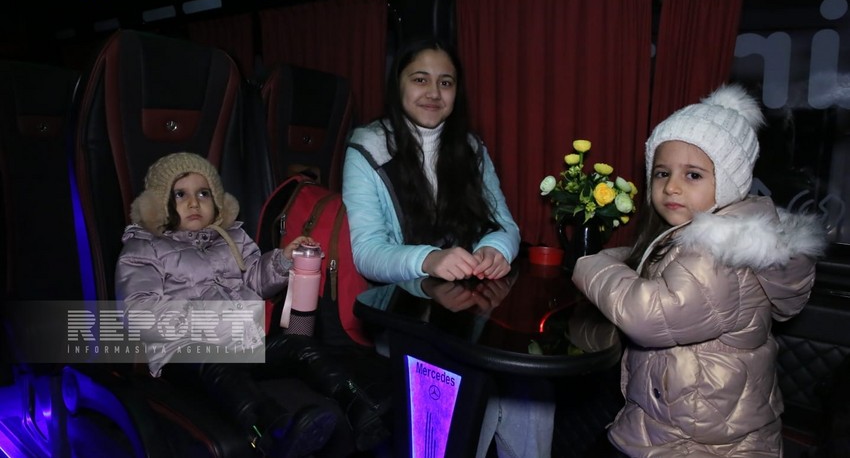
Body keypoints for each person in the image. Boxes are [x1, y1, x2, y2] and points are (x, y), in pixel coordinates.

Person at [572, 84, 828, 457]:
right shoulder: (703, 236)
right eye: (662, 173)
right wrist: (622, 257)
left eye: (692, 175)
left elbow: (649, 316)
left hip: (703, 444)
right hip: (676, 419)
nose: (671, 187)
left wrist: (589, 263)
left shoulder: (716, 255)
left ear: (729, 181)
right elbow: (654, 259)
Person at [342, 36, 555, 458]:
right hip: (403, 317)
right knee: (471, 392)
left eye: (446, 82)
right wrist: (430, 259)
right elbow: (367, 252)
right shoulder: (367, 147)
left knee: (532, 388)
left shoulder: (471, 148)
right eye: (420, 79)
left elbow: (505, 225)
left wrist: (496, 249)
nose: (434, 93)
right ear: (398, 84)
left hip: (469, 315)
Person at [115, 152, 390, 458]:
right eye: (180, 194)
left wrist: (283, 260)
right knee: (216, 366)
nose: (194, 203)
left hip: (244, 343)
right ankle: (270, 429)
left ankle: (359, 404)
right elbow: (138, 312)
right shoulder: (145, 248)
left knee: (300, 346)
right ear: (158, 203)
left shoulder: (231, 238)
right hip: (186, 353)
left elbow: (256, 280)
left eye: (203, 193)